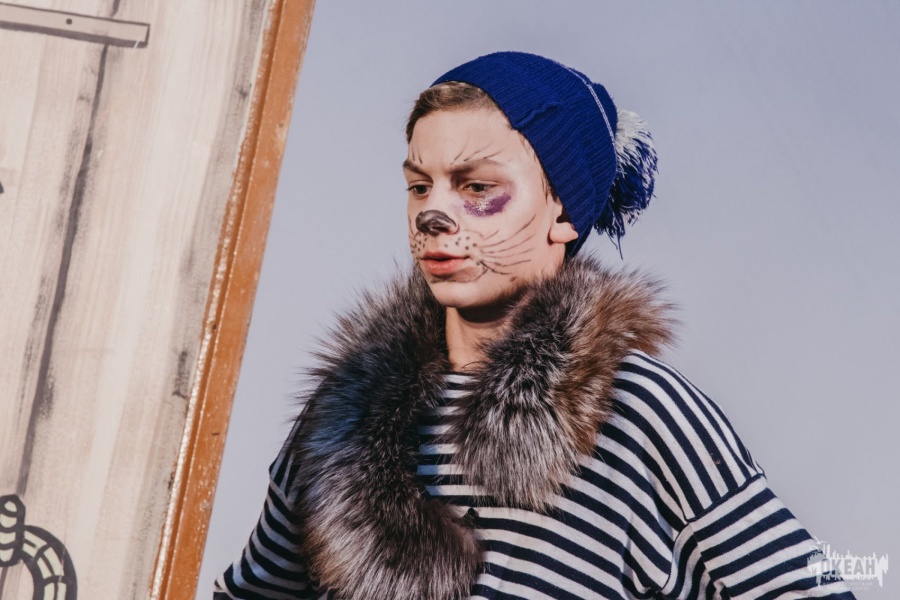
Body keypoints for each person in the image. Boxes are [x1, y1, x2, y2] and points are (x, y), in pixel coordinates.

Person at [214, 52, 854, 600]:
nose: (433, 214)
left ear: (563, 213)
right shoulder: (344, 416)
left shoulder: (638, 410)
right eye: (419, 186)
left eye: (476, 187)